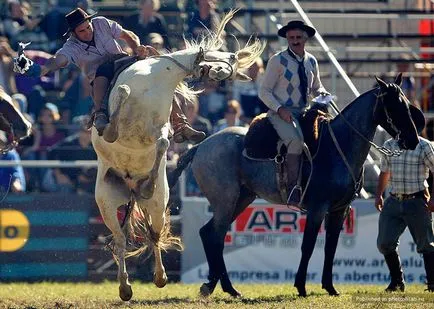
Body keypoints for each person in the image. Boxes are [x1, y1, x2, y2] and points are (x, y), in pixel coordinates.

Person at [14, 7, 204, 143]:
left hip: (123, 61)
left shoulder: (102, 23)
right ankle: (100, 114)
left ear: (90, 22)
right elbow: (57, 61)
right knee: (102, 73)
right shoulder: (71, 46)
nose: (87, 31)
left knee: (157, 80)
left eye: (87, 27)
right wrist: (37, 70)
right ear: (74, 33)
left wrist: (135, 47)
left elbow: (127, 34)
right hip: (100, 73)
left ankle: (181, 124)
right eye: (81, 31)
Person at [258, 20, 328, 206]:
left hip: (304, 112)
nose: (294, 41)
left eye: (298, 37)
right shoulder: (277, 60)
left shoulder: (311, 61)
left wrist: (322, 94)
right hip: (280, 113)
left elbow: (316, 87)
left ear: (305, 39)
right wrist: (280, 109)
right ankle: (292, 190)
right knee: (296, 141)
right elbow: (263, 91)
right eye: (291, 38)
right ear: (287, 39)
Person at [374, 108, 434, 293]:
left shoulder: (425, 146)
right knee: (384, 242)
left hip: (417, 200)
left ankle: (432, 283)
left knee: (426, 244)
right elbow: (385, 171)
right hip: (393, 199)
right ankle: (397, 281)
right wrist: (378, 194)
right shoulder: (390, 145)